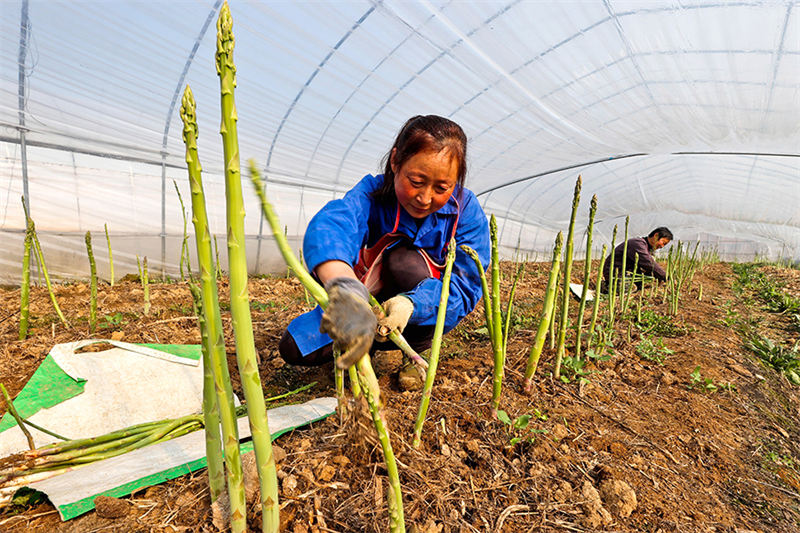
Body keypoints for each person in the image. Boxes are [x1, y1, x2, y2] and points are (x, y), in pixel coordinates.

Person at [278, 115, 490, 384]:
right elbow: (334, 225)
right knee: (294, 347)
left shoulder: (466, 211)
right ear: (395, 162)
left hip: (420, 318)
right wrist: (345, 287)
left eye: (441, 188)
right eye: (415, 181)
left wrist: (412, 304)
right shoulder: (373, 193)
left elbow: (466, 287)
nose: (424, 198)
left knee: (403, 262)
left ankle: (413, 354)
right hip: (365, 300)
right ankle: (365, 338)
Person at [602, 227, 673, 292]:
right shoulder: (638, 244)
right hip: (616, 273)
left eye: (664, 245)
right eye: (663, 242)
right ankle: (607, 287)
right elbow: (649, 263)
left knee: (640, 288)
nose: (662, 246)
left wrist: (658, 276)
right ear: (656, 235)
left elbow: (647, 267)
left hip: (628, 273)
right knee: (631, 289)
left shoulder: (647, 248)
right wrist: (666, 277)